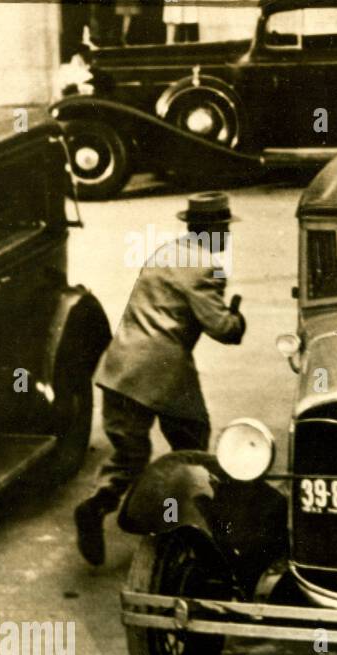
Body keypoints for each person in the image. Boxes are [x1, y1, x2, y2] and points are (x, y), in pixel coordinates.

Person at [74, 193, 245, 566]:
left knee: (128, 455)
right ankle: (184, 521)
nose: (227, 237)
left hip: (120, 368)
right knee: (192, 444)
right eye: (225, 230)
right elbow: (221, 327)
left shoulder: (166, 252)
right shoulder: (207, 268)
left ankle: (96, 504)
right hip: (163, 372)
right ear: (216, 231)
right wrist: (236, 319)